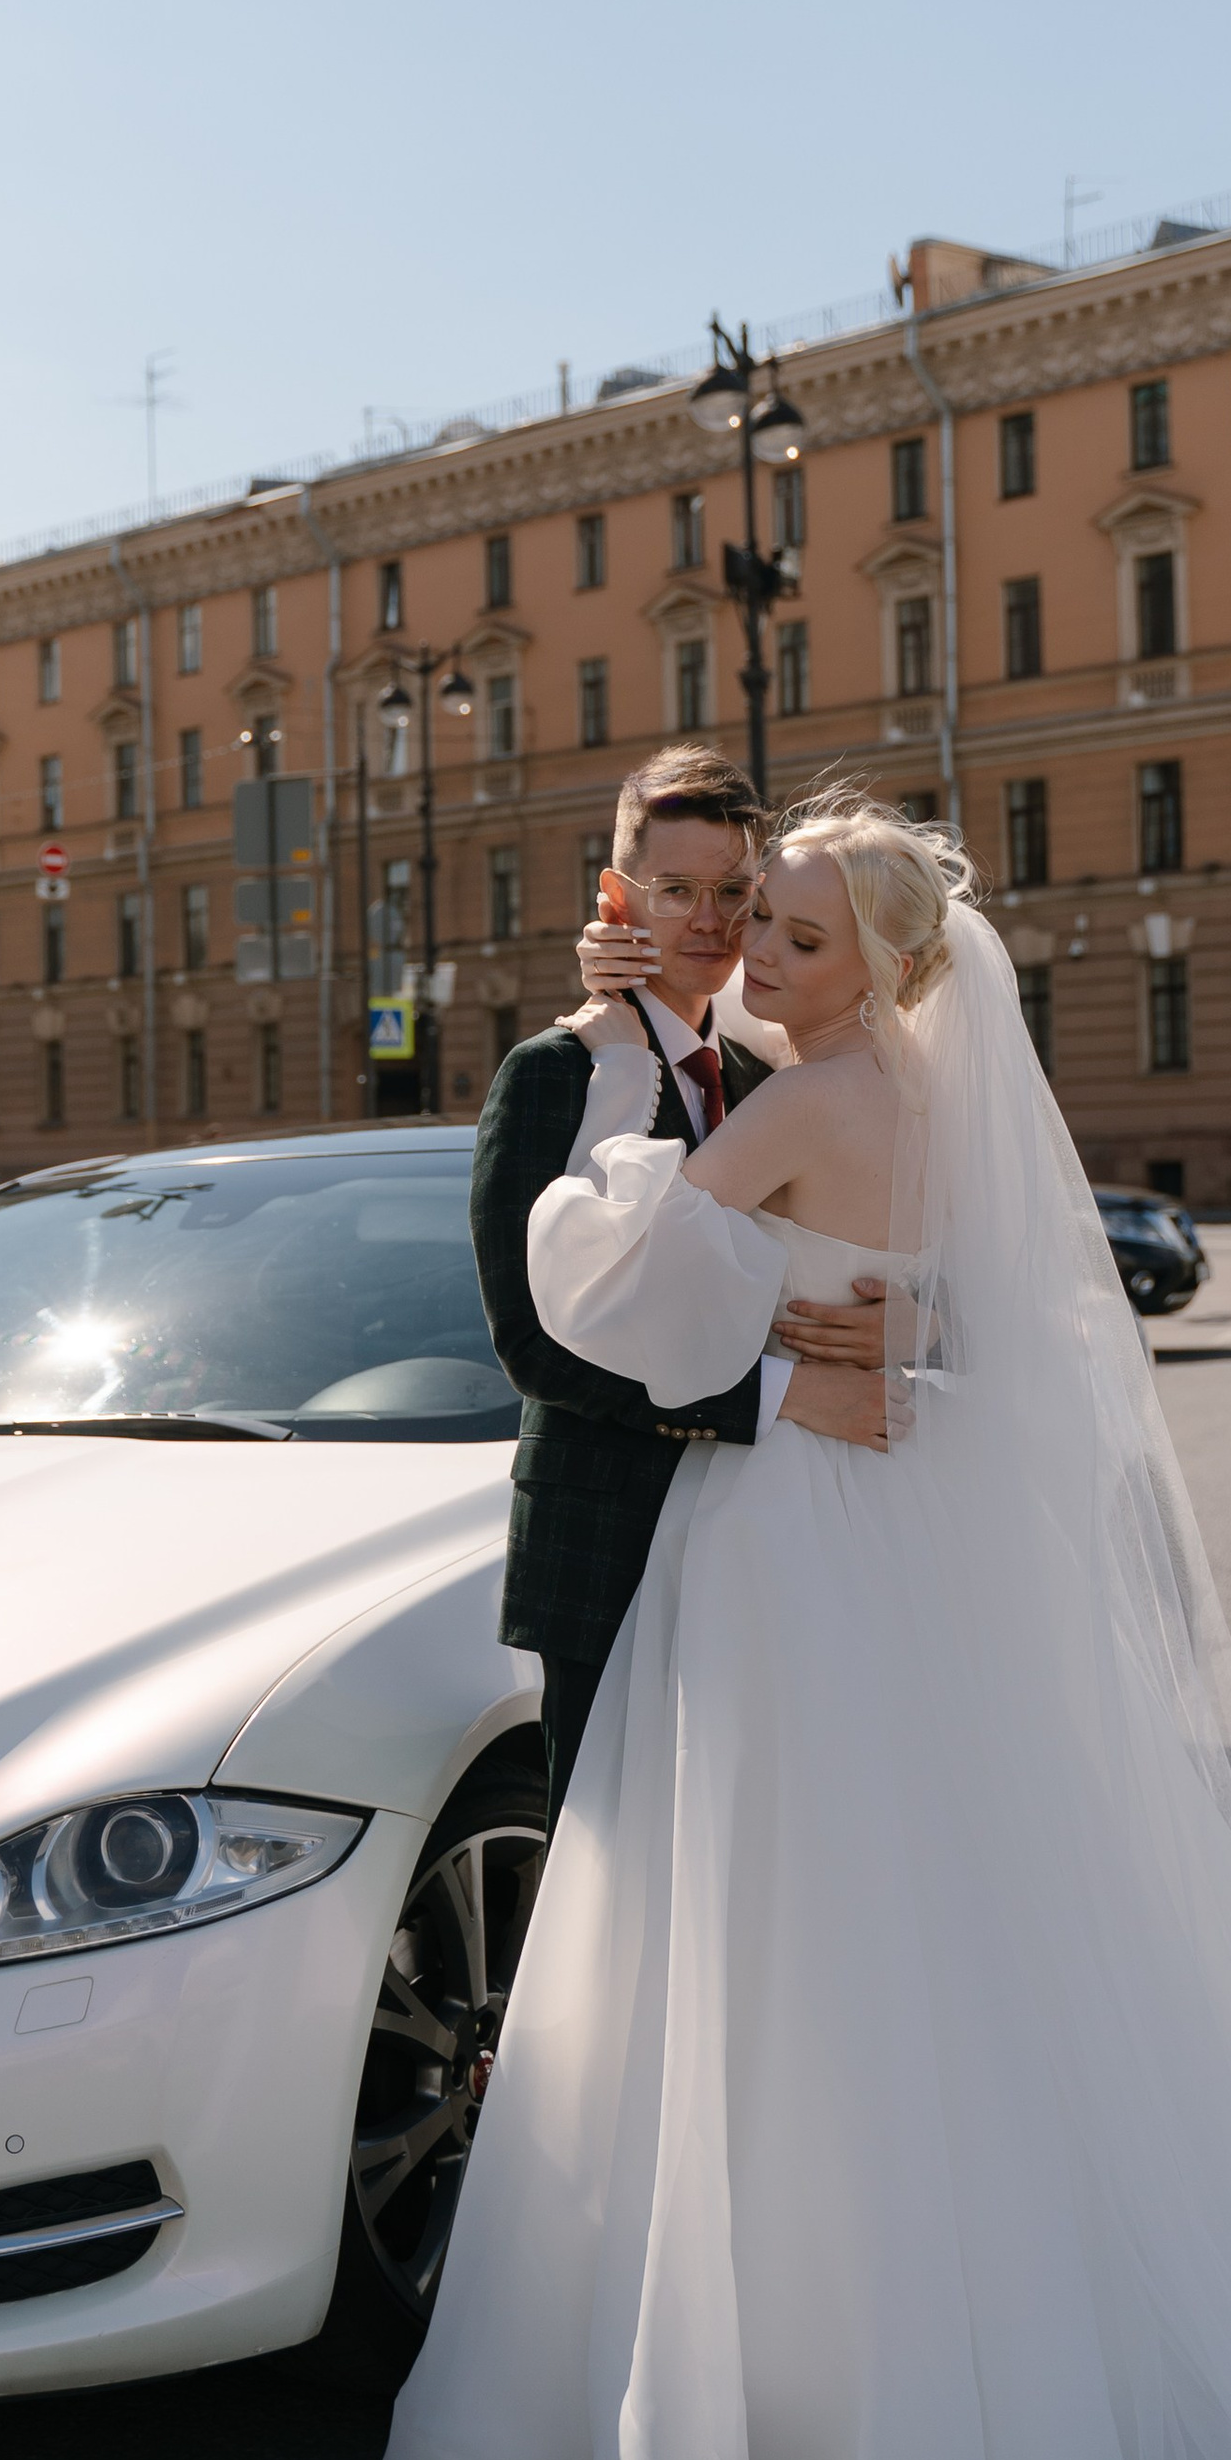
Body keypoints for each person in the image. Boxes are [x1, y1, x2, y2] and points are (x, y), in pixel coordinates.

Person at [380, 789, 1231, 2460]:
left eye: (787, 930)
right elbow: (941, 1321)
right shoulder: (941, 1107)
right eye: (738, 921)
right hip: (894, 1548)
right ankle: (1000, 2407)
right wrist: (832, 1333)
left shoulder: (785, 1091)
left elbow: (606, 1287)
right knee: (942, 1948)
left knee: (780, 1961)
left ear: (880, 964)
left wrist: (632, 1121)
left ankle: (801, 2429)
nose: (755, 954)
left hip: (790, 1555)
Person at [468, 747, 890, 1826]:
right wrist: (781, 1397)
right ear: (617, 899)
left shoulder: (760, 1078)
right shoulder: (555, 1075)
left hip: (758, 1539)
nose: (709, 920)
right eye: (674, 890)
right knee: (603, 1870)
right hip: (606, 1537)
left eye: (733, 891)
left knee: (735, 1857)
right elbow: (537, 1343)